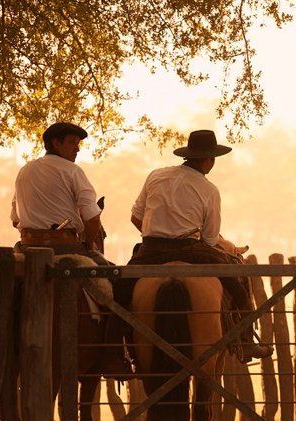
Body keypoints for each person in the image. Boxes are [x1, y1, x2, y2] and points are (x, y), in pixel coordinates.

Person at [109, 129, 273, 361]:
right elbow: (209, 239)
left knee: (119, 292)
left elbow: (136, 217)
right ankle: (246, 341)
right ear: (210, 159)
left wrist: (158, 233)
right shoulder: (210, 190)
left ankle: (114, 352)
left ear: (188, 154)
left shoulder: (156, 175)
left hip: (150, 249)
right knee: (238, 284)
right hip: (191, 249)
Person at [10, 121, 130, 376]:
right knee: (118, 285)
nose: (77, 149)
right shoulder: (73, 172)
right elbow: (92, 218)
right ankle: (113, 354)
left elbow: (15, 219)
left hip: (26, 248)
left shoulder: (24, 171)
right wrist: (87, 244)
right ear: (56, 143)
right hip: (66, 248)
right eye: (72, 143)